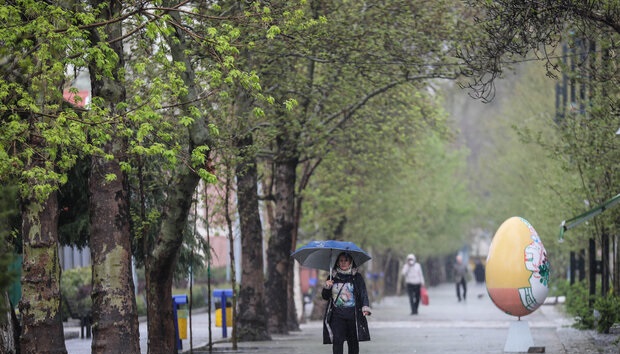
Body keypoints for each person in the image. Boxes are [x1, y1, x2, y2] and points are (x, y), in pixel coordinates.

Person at [322, 252, 371, 354]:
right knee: (337, 342)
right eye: (341, 260)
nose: (343, 263)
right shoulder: (332, 277)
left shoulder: (356, 277)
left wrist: (365, 307)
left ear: (351, 262)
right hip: (337, 316)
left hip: (353, 316)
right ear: (338, 262)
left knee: (353, 343)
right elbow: (325, 297)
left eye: (346, 260)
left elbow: (363, 293)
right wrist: (327, 287)